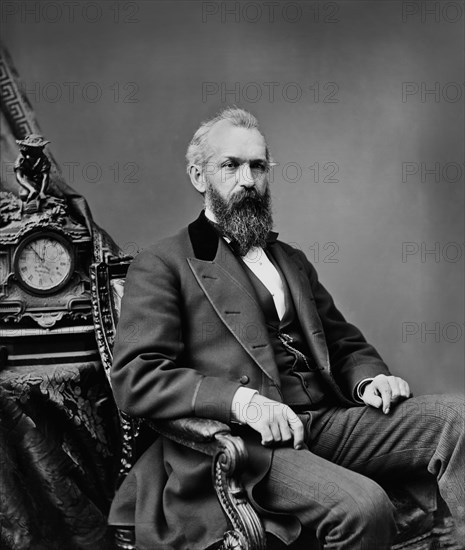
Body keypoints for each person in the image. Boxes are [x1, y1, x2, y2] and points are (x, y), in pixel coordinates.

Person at [109, 107, 464, 550]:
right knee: (365, 507)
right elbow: (137, 377)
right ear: (199, 177)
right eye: (230, 165)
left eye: (258, 166)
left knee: (459, 419)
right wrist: (243, 403)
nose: (247, 179)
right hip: (252, 445)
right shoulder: (163, 263)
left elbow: (343, 342)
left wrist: (370, 380)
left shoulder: (290, 259)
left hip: (327, 421)